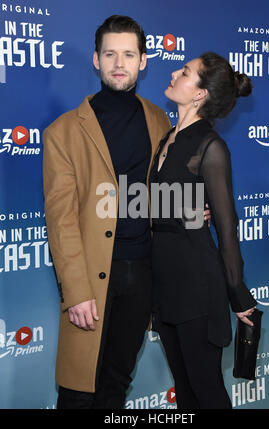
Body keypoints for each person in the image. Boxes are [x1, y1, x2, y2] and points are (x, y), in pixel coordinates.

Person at [43, 14, 210, 409]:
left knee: (116, 383)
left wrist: (188, 211)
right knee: (78, 390)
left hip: (144, 275)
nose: (120, 63)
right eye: (110, 54)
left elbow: (154, 190)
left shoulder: (158, 119)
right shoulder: (62, 132)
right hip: (92, 280)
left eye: (129, 54)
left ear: (143, 61)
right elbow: (61, 219)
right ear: (96, 60)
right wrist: (77, 292)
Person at [149, 52, 258, 409]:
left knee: (206, 391)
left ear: (200, 94)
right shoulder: (167, 139)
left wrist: (238, 294)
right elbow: (154, 207)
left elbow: (227, 228)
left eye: (185, 72)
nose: (175, 74)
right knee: (185, 393)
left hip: (198, 286)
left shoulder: (210, 147)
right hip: (165, 284)